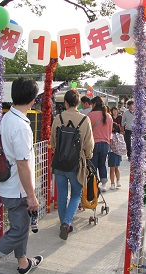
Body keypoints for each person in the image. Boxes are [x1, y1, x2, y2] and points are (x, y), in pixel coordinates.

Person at [0, 78, 43, 274]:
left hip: (9, 184)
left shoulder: (8, 117)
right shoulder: (21, 126)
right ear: (33, 98)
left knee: (21, 225)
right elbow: (22, 163)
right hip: (17, 188)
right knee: (19, 230)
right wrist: (31, 195)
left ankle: (23, 263)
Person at [50, 89, 94, 240]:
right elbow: (89, 144)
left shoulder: (58, 118)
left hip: (59, 163)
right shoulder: (84, 119)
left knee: (62, 195)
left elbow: (52, 142)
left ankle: (64, 223)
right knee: (76, 194)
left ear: (66, 103)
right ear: (78, 104)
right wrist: (87, 156)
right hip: (76, 164)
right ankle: (66, 223)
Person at [88, 96, 113, 192]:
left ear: (94, 104)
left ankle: (94, 184)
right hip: (105, 144)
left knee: (93, 165)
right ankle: (104, 185)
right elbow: (110, 132)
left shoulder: (90, 115)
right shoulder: (109, 116)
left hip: (94, 143)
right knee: (102, 164)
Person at [108, 123, 122, 189]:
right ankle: (118, 181)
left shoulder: (111, 135)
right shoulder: (119, 135)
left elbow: (110, 144)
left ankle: (112, 184)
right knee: (117, 168)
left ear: (113, 128)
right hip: (119, 153)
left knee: (112, 169)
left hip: (112, 153)